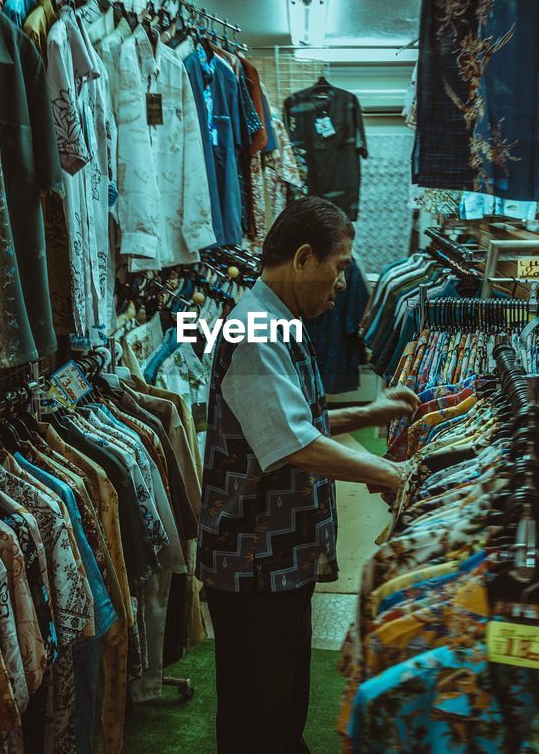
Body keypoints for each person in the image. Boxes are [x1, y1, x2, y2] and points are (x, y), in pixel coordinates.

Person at [196, 196, 420, 753]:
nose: (342, 283)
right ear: (302, 258)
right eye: (339, 266)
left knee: (282, 706)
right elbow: (292, 442)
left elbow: (293, 416)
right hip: (253, 565)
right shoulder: (252, 329)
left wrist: (369, 412)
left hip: (275, 559)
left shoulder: (277, 322)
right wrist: (392, 473)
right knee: (259, 719)